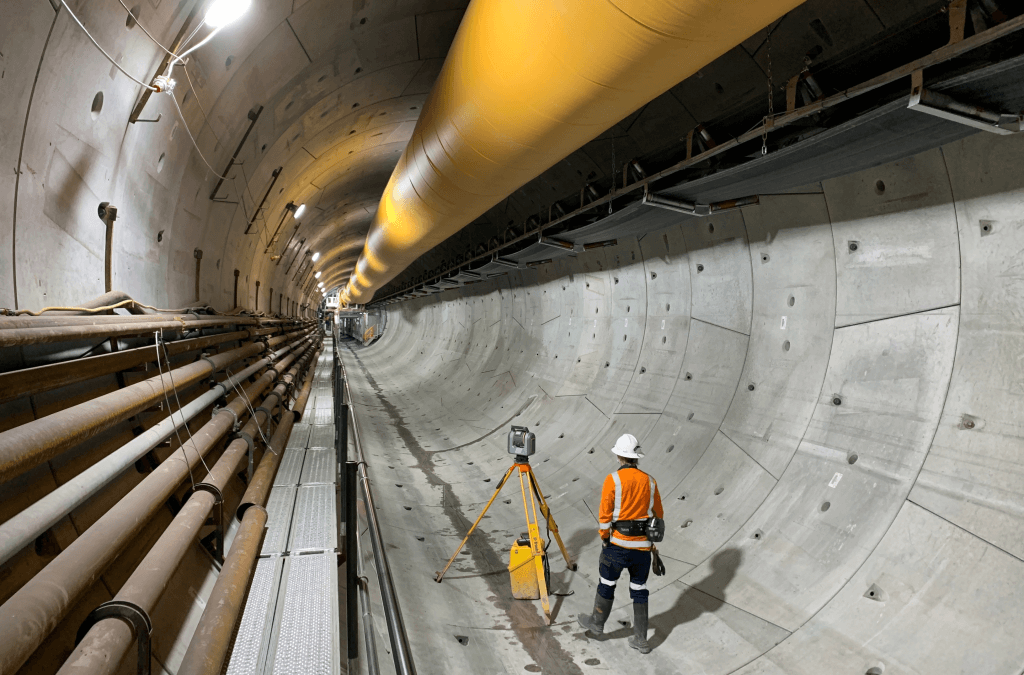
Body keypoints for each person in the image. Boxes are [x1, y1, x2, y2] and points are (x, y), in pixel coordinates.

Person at [577, 433, 664, 654]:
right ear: (636, 458)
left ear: (619, 456)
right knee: (639, 589)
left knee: (606, 584)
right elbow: (658, 515)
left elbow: (605, 516)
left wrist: (605, 538)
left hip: (616, 545)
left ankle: (597, 626)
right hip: (642, 549)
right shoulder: (651, 482)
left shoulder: (613, 480)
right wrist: (651, 546)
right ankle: (641, 640)